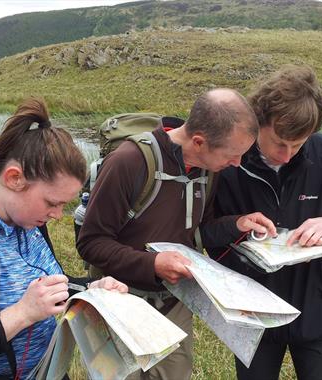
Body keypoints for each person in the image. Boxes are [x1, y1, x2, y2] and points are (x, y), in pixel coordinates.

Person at [77, 88, 277, 380]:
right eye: (232, 155)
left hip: (174, 303)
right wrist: (152, 265)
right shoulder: (130, 161)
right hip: (119, 303)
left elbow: (201, 229)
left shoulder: (208, 170)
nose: (237, 163)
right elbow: (91, 242)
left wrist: (237, 224)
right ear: (199, 141)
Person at [203, 66, 322, 380]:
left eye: (297, 146)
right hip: (252, 314)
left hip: (317, 313)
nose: (286, 156)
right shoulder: (228, 163)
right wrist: (236, 224)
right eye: (279, 143)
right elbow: (205, 234)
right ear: (258, 122)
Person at [0, 98, 128, 380]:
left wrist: (90, 288)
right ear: (14, 179)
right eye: (52, 203)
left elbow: (46, 284)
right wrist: (22, 313)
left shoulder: (29, 218)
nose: (58, 215)